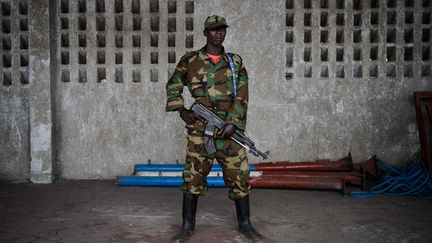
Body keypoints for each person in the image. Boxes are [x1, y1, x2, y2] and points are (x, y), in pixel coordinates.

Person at [166, 15, 261, 242]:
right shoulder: (190, 60)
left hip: (229, 132)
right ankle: (187, 227)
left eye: (222, 30)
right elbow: (173, 86)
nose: (218, 33)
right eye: (213, 30)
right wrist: (182, 111)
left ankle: (245, 225)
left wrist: (233, 123)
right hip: (200, 132)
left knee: (240, 176)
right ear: (205, 33)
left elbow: (243, 94)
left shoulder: (234, 62)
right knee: (192, 177)